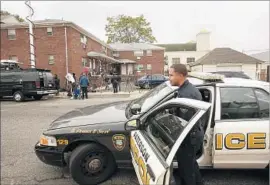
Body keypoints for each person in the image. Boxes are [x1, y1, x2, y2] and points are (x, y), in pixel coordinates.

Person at [169, 64, 205, 185]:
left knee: (186, 170)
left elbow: (184, 122)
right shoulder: (184, 90)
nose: (169, 78)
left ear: (180, 75)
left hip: (189, 137)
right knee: (190, 164)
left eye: (171, 75)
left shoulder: (187, 94)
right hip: (192, 135)